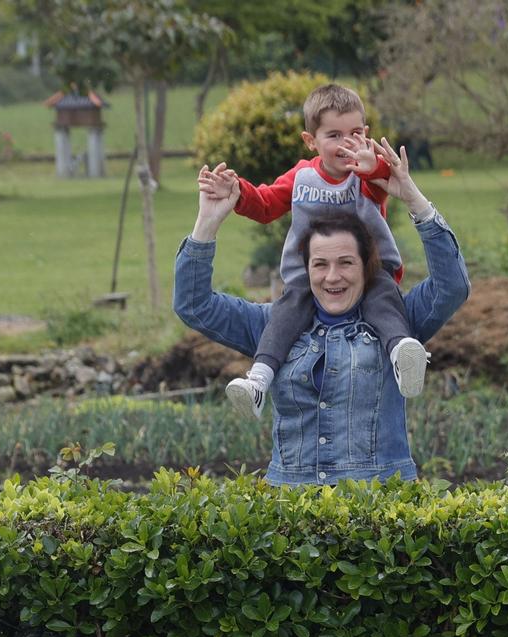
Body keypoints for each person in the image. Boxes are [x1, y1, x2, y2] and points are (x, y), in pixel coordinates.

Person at [174, 139, 469, 486]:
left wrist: (415, 201)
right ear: (306, 268)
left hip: (378, 514)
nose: (332, 277)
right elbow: (194, 305)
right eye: (320, 264)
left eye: (346, 263)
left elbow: (452, 286)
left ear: (366, 266)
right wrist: (206, 225)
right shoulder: (273, 325)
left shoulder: (400, 320)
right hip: (292, 514)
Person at [212, 82, 428, 418]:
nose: (347, 145)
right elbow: (266, 205)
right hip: (309, 277)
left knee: (383, 298)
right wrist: (237, 190)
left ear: (366, 134)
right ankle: (258, 381)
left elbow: (383, 175)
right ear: (311, 141)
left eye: (355, 133)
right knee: (285, 313)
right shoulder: (301, 178)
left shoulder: (368, 173)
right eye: (334, 136)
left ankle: (402, 352)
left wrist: (374, 165)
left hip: (370, 270)